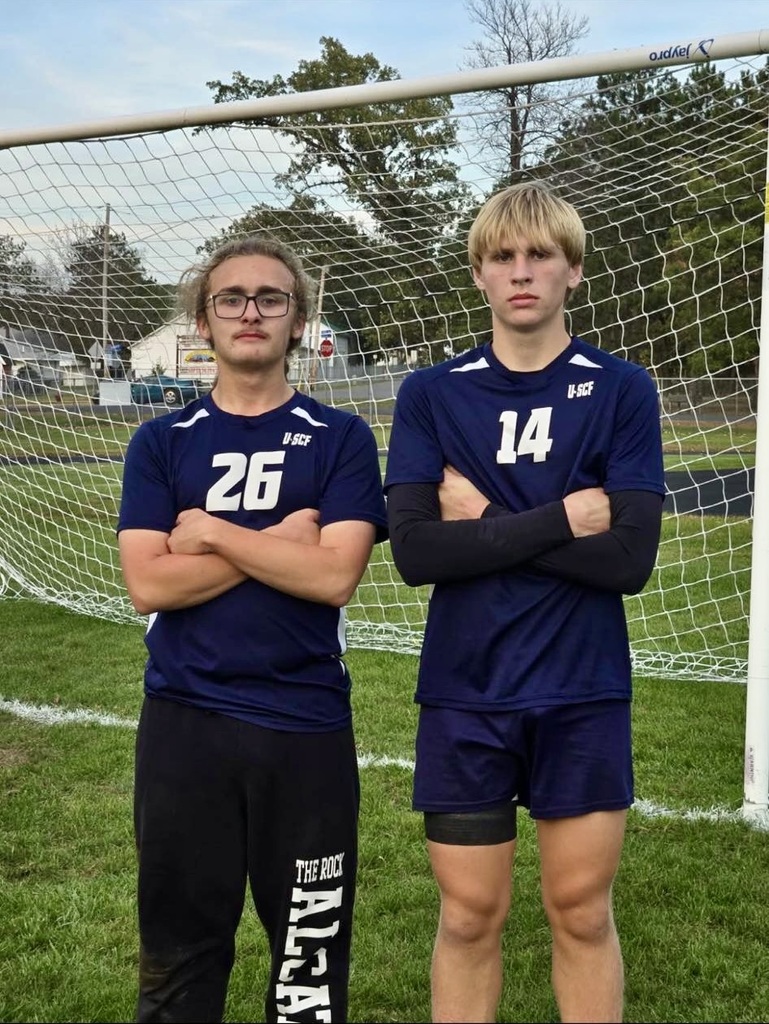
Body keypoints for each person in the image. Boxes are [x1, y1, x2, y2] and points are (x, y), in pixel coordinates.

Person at [384, 181, 665, 1023]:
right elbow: (417, 550)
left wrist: (488, 523)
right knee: (469, 917)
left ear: (572, 271)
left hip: (580, 691)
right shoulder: (431, 393)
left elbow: (627, 559)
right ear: (477, 273)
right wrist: (557, 519)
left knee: (579, 913)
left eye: (539, 254)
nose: (521, 271)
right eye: (502, 256)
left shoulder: (621, 389)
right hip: (466, 693)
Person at [117, 234, 388, 1024]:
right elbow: (148, 583)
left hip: (304, 731)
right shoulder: (160, 442)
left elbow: (333, 576)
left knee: (306, 967)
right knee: (177, 958)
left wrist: (217, 534)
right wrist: (282, 541)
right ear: (202, 321)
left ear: (298, 320)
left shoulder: (340, 439)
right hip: (183, 728)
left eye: (271, 298)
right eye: (230, 298)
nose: (250, 312)